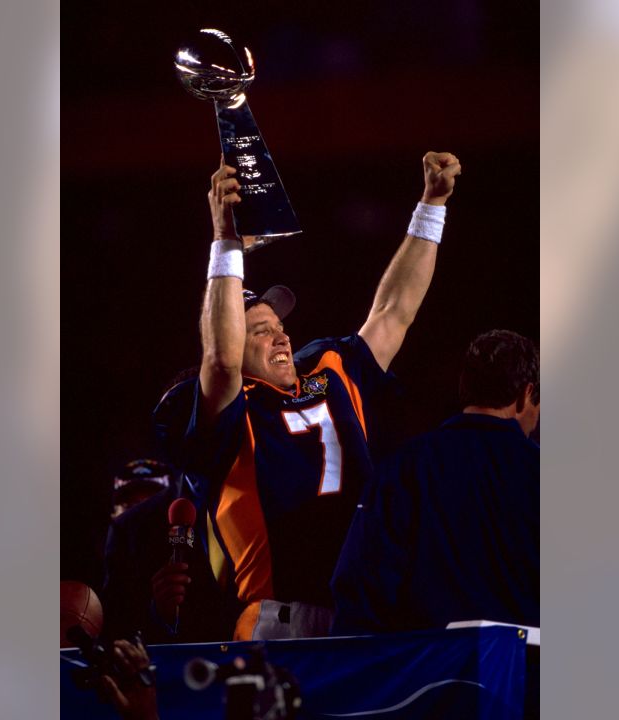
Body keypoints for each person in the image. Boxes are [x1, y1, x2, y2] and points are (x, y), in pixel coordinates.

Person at [187, 151, 462, 640]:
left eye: (279, 326)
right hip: (281, 617)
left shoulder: (330, 366)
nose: (280, 336)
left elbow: (394, 312)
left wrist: (432, 205)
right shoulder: (228, 409)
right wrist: (226, 242)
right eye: (259, 332)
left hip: (363, 606)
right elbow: (221, 362)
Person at [331, 329, 540, 634]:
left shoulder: (403, 467)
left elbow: (360, 584)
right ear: (525, 396)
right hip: (531, 675)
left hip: (426, 673)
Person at [101, 377, 239, 644]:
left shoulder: (281, 496)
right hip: (176, 679)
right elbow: (117, 632)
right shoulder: (131, 529)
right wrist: (160, 616)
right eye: (191, 417)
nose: (204, 428)